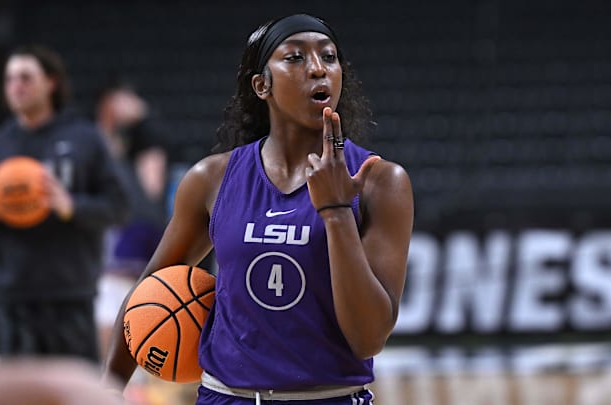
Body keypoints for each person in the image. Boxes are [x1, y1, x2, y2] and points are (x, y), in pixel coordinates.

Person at [103, 13, 413, 404]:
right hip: (225, 396)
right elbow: (145, 296)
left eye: (329, 57)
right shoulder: (211, 179)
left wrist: (336, 213)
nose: (318, 68)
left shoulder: (379, 181)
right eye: (296, 58)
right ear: (262, 85)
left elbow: (369, 337)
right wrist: (106, 393)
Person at [0, 45, 130, 364]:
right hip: (12, 295)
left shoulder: (85, 138)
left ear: (51, 82)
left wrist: (71, 206)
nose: (17, 85)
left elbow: (119, 207)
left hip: (70, 294)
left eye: (26, 77)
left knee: (75, 392)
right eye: (10, 78)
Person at [94, 79, 168, 360]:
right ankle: (115, 377)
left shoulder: (149, 138)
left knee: (140, 302)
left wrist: (141, 116)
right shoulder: (103, 144)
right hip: (123, 228)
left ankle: (133, 379)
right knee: (111, 297)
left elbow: (152, 188)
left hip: (145, 226)